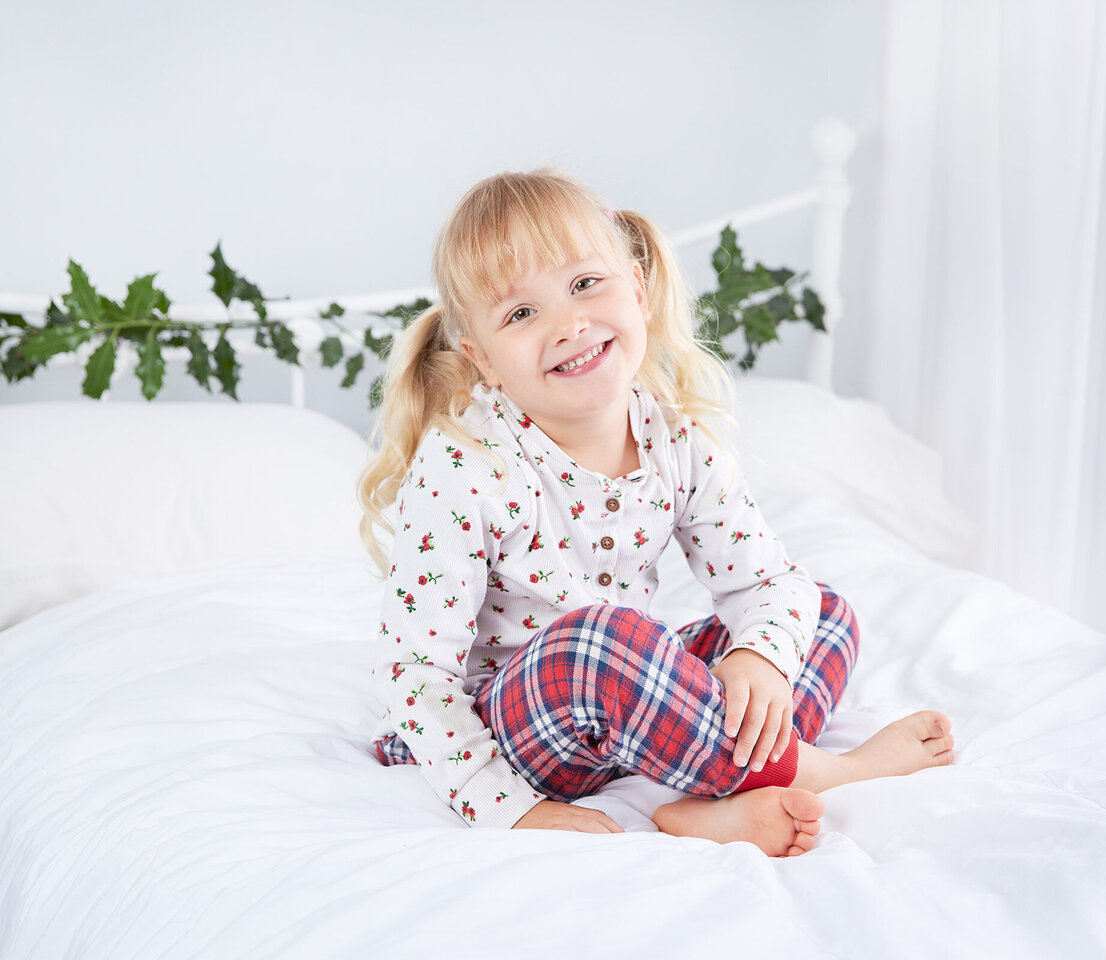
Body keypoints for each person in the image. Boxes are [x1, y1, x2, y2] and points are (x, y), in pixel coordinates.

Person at [358, 170, 954, 858]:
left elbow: (768, 582)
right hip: (510, 728)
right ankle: (824, 771)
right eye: (521, 314)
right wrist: (508, 810)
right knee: (603, 641)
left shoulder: (673, 440)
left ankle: (702, 801)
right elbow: (413, 671)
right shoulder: (466, 464)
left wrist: (756, 656)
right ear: (483, 361)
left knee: (818, 612)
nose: (569, 323)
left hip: (633, 716)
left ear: (637, 292)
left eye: (585, 284)